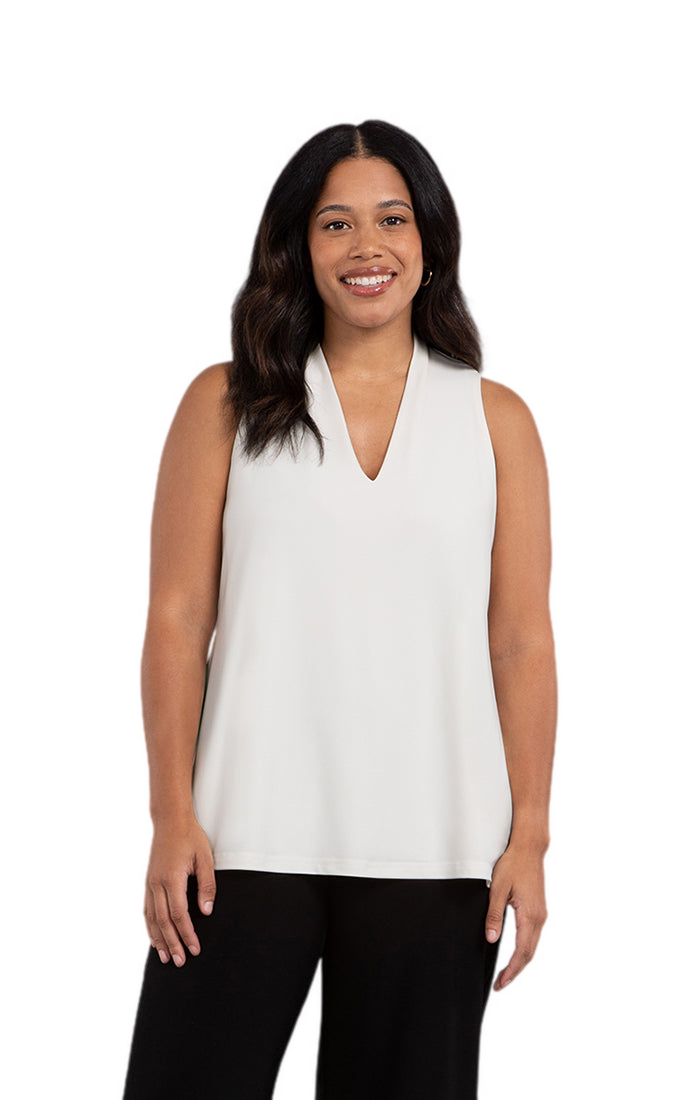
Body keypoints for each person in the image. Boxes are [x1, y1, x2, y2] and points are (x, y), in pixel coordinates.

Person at [126, 118, 560, 1099]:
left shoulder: (495, 420)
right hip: (237, 841)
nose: (368, 246)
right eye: (336, 223)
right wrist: (171, 815)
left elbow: (522, 642)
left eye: (392, 219)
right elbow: (179, 619)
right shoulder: (224, 401)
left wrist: (529, 838)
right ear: (299, 245)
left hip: (439, 850)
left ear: (430, 239)